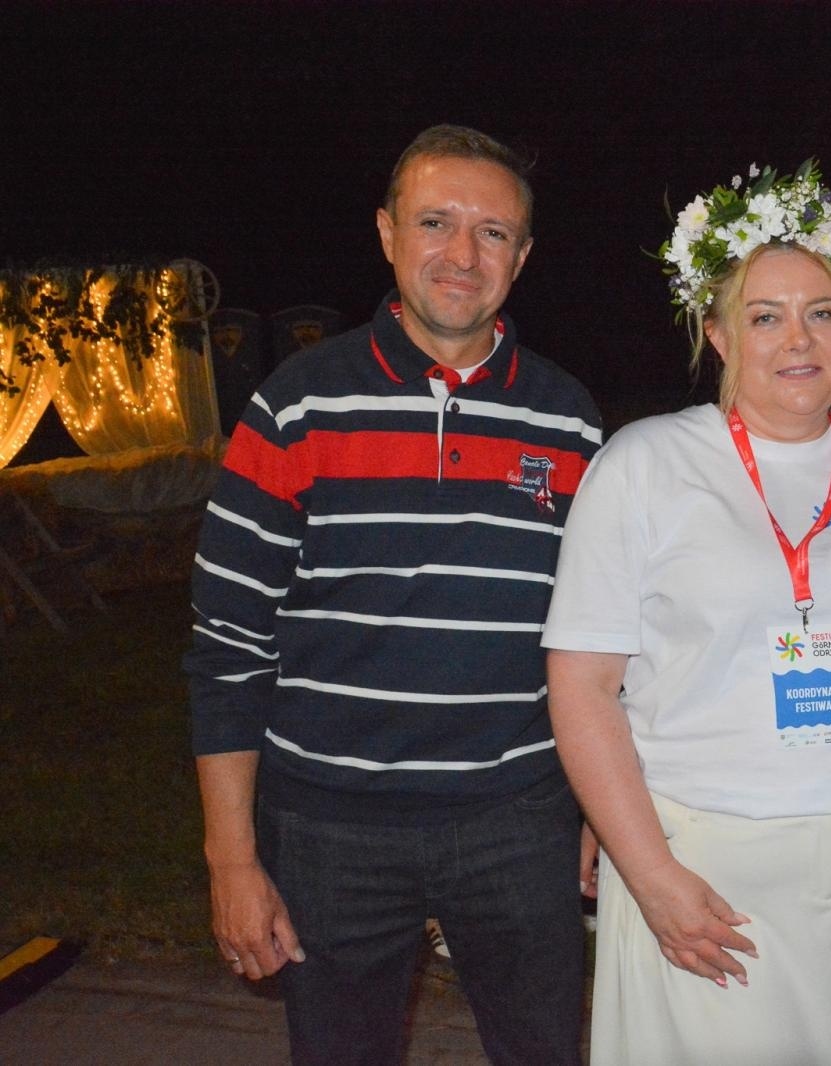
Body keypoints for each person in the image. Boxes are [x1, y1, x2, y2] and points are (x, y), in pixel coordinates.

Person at [184, 125, 602, 1065]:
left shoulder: (570, 421)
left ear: (523, 257)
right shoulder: (294, 407)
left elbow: (598, 644)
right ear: (385, 233)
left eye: (494, 233)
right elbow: (227, 646)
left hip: (518, 817)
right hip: (330, 825)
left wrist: (601, 815)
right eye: (435, 222)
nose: (463, 255)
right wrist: (231, 858)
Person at [542, 162, 831, 1065]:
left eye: (821, 311)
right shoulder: (646, 465)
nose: (797, 339)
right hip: (701, 874)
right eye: (765, 316)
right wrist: (648, 875)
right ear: (719, 335)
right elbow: (581, 687)